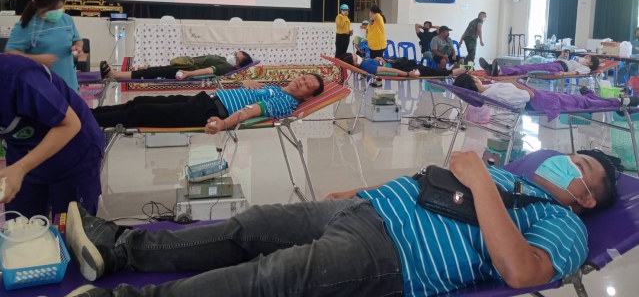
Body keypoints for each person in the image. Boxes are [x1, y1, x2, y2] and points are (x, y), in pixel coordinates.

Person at [64, 147, 618, 296]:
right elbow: (430, 184)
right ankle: (120, 248)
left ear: (587, 197)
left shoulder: (566, 224)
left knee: (269, 277)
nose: (564, 161)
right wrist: (360, 191)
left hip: (395, 256)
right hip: (368, 208)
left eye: (580, 166)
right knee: (249, 226)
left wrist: (481, 181)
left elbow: (523, 271)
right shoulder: (509, 176)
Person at [0, 54, 103, 219]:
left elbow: (70, 125)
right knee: (19, 226)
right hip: (22, 153)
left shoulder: (18, 77)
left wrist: (21, 168)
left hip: (73, 152)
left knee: (69, 227)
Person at [90, 74, 324, 129]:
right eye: (304, 77)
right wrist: (246, 82)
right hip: (206, 99)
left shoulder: (286, 103)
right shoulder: (276, 87)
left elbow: (252, 111)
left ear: (308, 96)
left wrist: (223, 124)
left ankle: (87, 121)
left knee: (141, 112)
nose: (302, 81)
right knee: (139, 101)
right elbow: (251, 96)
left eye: (307, 85)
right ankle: (87, 113)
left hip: (211, 111)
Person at [453, 73, 639, 121]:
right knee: (582, 102)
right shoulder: (495, 92)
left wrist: (510, 82)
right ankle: (619, 103)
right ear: (473, 80)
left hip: (542, 98)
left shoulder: (488, 91)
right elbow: (527, 95)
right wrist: (513, 82)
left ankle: (598, 98)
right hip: (540, 102)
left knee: (577, 99)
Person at [5, 0, 84, 90]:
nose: (58, 12)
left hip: (68, 83)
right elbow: (9, 53)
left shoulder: (67, 19)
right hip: (40, 86)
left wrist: (77, 47)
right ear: (40, 7)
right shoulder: (26, 26)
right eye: (53, 9)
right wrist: (37, 59)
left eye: (60, 7)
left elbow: (77, 39)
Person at [99, 51, 253, 80]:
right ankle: (115, 74)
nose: (233, 56)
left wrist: (188, 74)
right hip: (184, 67)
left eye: (236, 58)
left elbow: (208, 70)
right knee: (151, 70)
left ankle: (114, 75)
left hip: (185, 70)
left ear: (238, 66)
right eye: (235, 54)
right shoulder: (224, 60)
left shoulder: (227, 67)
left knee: (150, 73)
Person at [338, 53, 466, 79]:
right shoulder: (365, 66)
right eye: (355, 58)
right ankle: (451, 73)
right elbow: (386, 69)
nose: (357, 56)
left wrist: (379, 59)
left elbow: (381, 64)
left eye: (355, 55)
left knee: (423, 67)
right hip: (400, 68)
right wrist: (408, 74)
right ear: (354, 64)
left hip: (395, 63)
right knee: (425, 70)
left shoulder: (364, 62)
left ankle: (447, 70)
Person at [479, 52, 600, 77]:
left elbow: (575, 72)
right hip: (555, 64)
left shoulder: (585, 68)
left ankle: (499, 71)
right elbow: (560, 61)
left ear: (590, 63)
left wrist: (564, 74)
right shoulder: (577, 62)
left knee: (527, 68)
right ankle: (492, 69)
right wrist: (562, 56)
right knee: (526, 66)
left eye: (587, 58)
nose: (584, 58)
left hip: (558, 67)